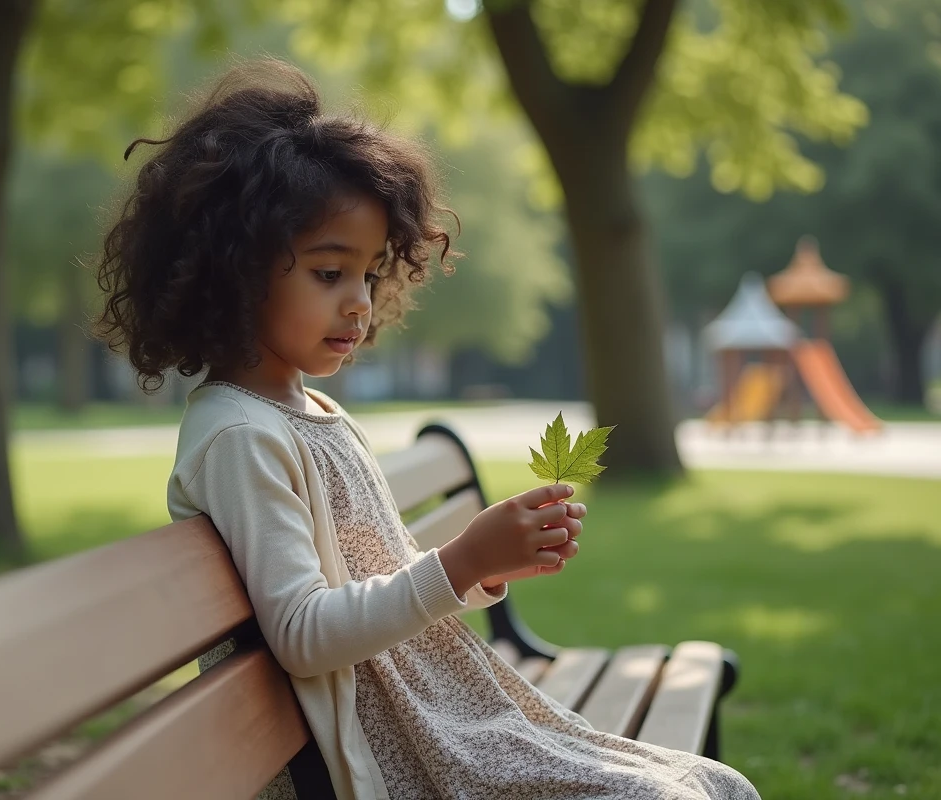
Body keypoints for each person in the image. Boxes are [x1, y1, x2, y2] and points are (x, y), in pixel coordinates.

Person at [94, 58, 759, 800]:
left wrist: (481, 566)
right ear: (233, 270)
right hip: (389, 754)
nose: (359, 303)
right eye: (327, 273)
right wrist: (460, 558)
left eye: (370, 274)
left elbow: (382, 573)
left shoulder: (310, 412)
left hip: (434, 717)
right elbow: (306, 634)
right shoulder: (239, 437)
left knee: (712, 783)